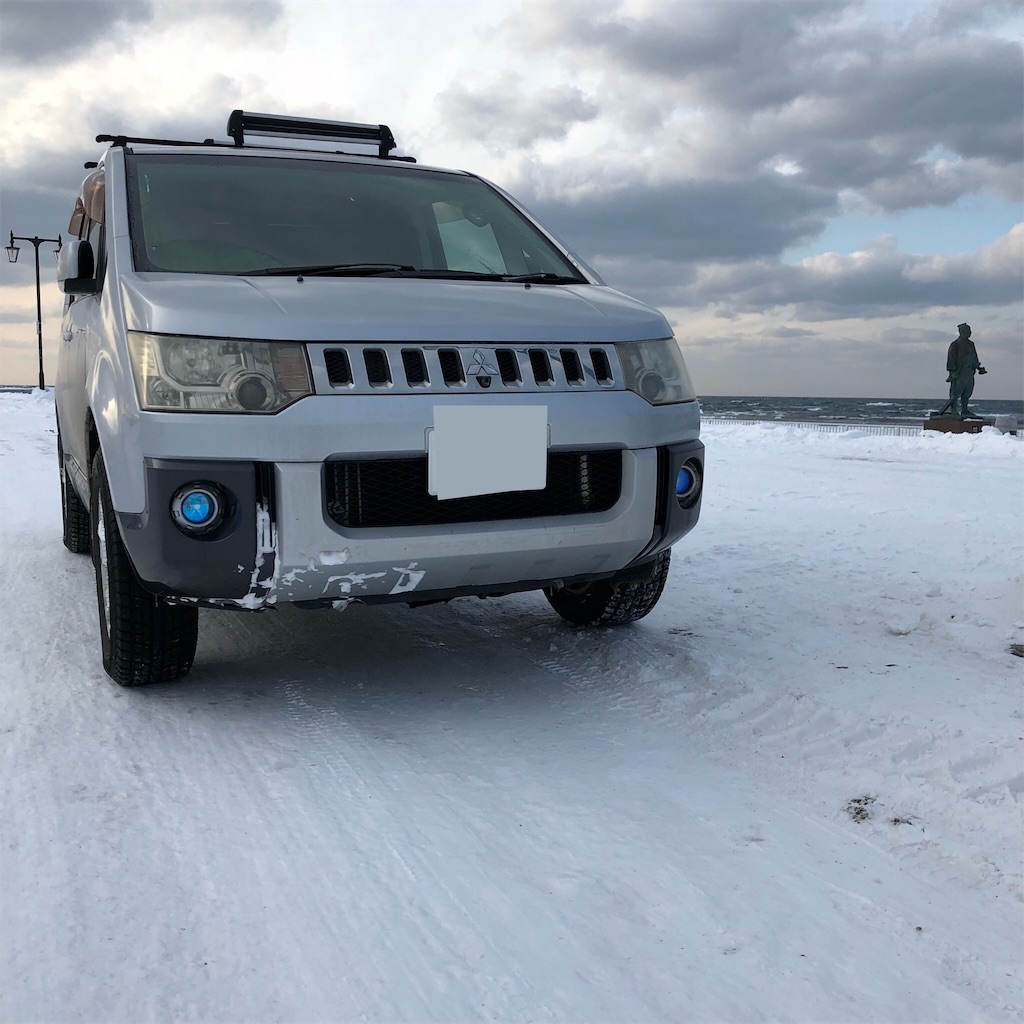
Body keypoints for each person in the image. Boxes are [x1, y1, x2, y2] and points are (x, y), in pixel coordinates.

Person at [944, 323, 986, 417]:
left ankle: (965, 410)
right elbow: (951, 359)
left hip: (969, 372)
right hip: (959, 372)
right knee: (955, 392)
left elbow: (974, 357)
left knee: (967, 392)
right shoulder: (955, 344)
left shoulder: (971, 344)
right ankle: (953, 410)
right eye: (968, 331)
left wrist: (979, 367)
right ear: (962, 332)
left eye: (970, 331)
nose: (970, 333)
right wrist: (952, 372)